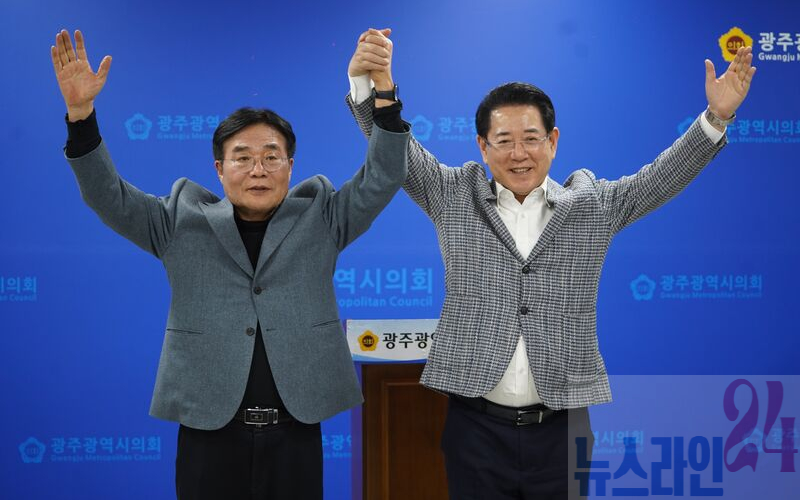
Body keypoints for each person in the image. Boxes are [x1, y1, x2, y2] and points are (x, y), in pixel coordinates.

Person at [347, 30, 756, 499]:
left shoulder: (591, 204)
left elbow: (660, 178)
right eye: (503, 140)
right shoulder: (453, 195)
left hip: (563, 428)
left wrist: (715, 118)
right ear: (482, 146)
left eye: (531, 139)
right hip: (475, 427)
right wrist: (373, 87)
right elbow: (396, 151)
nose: (518, 154)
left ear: (553, 141)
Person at [51, 28, 408, 500]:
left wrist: (383, 93)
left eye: (271, 157)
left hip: (296, 431)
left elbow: (384, 176)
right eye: (242, 158)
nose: (258, 169)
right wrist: (81, 116)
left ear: (290, 166)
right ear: (219, 170)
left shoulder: (322, 216)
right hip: (209, 433)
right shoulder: (179, 220)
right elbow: (107, 196)